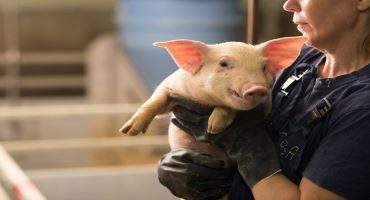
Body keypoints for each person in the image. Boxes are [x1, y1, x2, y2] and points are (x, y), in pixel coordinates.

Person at [157, 0, 370, 199]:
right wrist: (184, 156)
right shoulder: (301, 58)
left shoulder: (363, 108)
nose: (289, 4)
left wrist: (246, 145)